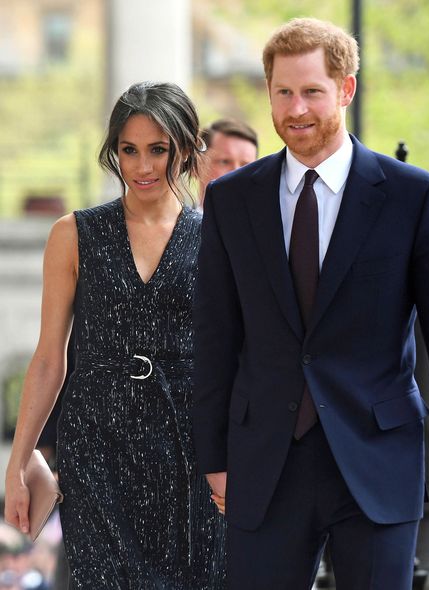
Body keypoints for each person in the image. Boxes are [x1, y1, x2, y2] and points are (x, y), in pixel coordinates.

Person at [192, 18, 429, 590]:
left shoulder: (413, 197)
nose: (296, 108)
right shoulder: (232, 200)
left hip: (377, 461)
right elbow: (215, 338)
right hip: (263, 465)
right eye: (283, 92)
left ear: (346, 89)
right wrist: (215, 458)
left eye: (312, 91)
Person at [5, 81, 226, 589]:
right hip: (97, 446)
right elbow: (48, 359)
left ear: (187, 149)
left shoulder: (218, 236)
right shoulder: (72, 233)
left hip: (189, 445)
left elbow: (233, 355)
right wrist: (19, 466)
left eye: (157, 150)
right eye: (129, 150)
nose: (142, 166)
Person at [198, 118, 258, 209]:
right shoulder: (175, 221)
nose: (237, 173)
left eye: (246, 165)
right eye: (224, 162)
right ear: (197, 165)